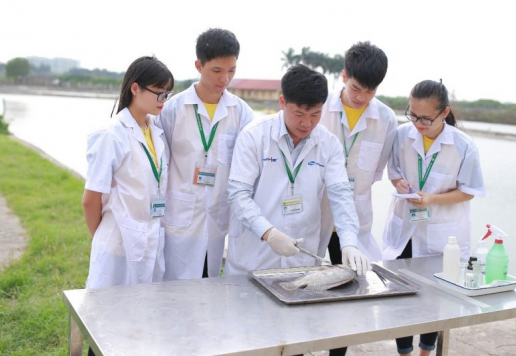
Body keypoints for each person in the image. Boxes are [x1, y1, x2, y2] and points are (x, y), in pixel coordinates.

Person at [225, 63, 370, 278]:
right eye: (299, 113)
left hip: (303, 260)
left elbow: (341, 196)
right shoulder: (254, 136)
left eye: (315, 114)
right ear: (282, 102)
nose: (307, 123)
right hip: (254, 258)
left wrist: (349, 242)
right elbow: (238, 195)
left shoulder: (329, 144)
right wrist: (269, 233)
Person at [382, 79, 486, 356]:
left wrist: (431, 199)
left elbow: (469, 191)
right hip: (405, 228)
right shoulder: (402, 135)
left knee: (434, 298)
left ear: (444, 113)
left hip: (443, 233)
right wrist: (399, 184)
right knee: (398, 294)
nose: (418, 123)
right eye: (413, 115)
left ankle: (426, 352)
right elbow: (393, 171)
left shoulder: (463, 145)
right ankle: (404, 353)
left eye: (426, 118)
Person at [317, 41, 397, 356]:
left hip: (354, 216)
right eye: (356, 88)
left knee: (350, 288)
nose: (362, 97)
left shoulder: (386, 119)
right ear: (343, 75)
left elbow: (377, 171)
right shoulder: (319, 107)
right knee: (300, 279)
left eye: (370, 91)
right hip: (314, 211)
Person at [157, 28, 254, 280]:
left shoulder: (241, 112)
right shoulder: (172, 109)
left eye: (231, 70)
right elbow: (160, 164)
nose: (225, 79)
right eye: (217, 70)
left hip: (217, 215)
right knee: (174, 287)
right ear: (199, 65)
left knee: (209, 284)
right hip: (180, 214)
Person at [82, 55, 174, 289]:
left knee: (143, 314)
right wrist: (104, 238)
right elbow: (91, 199)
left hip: (149, 239)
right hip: (117, 242)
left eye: (167, 94)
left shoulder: (154, 130)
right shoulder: (112, 135)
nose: (163, 100)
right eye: (159, 93)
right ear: (135, 88)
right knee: (108, 316)